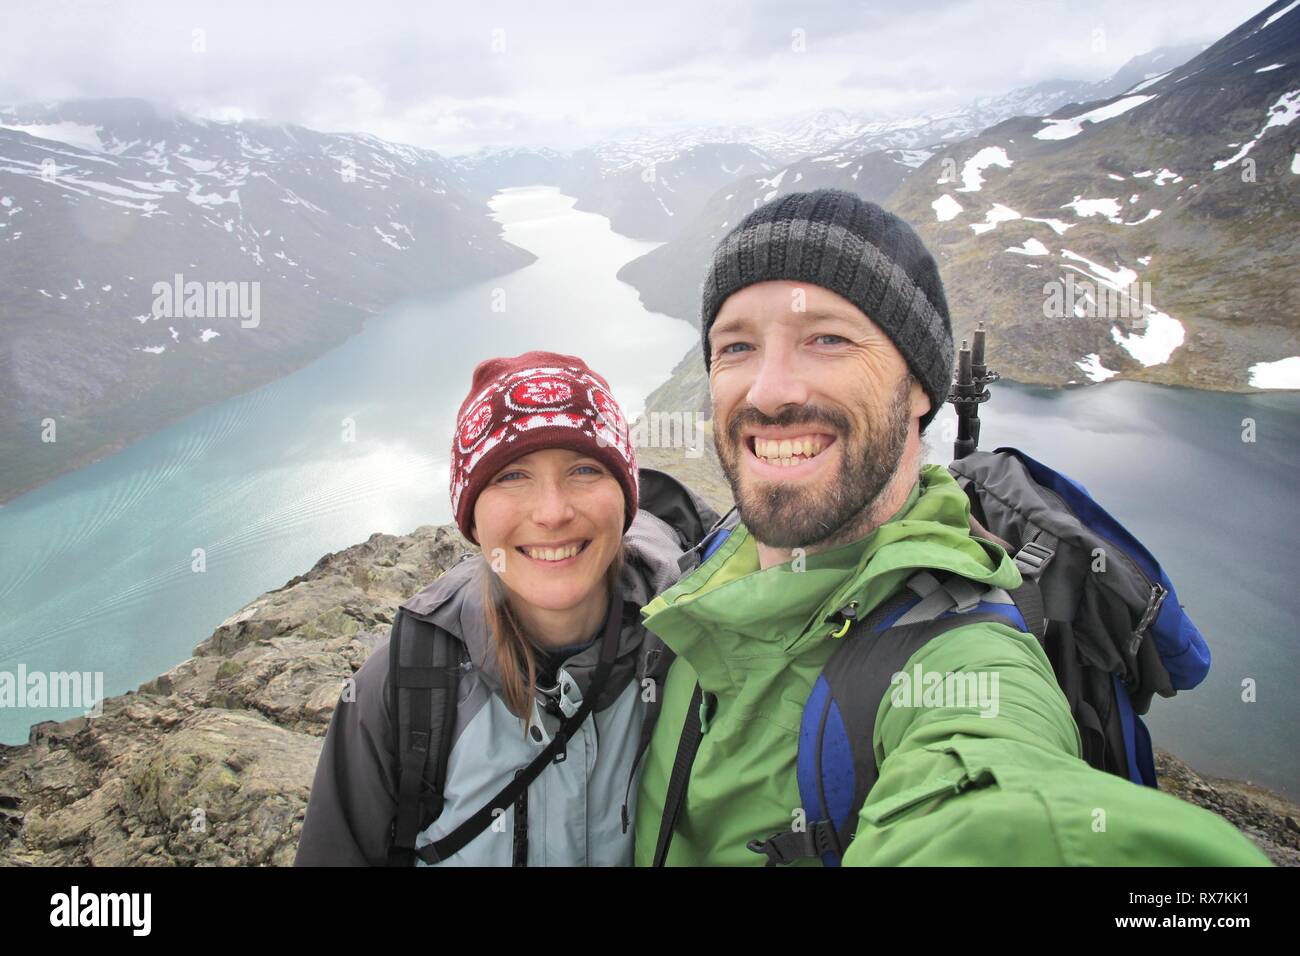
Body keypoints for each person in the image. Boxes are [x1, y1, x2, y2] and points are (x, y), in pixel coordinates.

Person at [633, 189, 1271, 866]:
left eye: (827, 339)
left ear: (918, 389)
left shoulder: (960, 665)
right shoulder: (708, 565)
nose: (767, 391)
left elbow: (1000, 801)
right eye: (736, 346)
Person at [295, 351, 714, 865]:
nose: (553, 512)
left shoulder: (696, 647)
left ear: (625, 499)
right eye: (512, 476)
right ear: (473, 515)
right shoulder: (405, 683)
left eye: (584, 469)